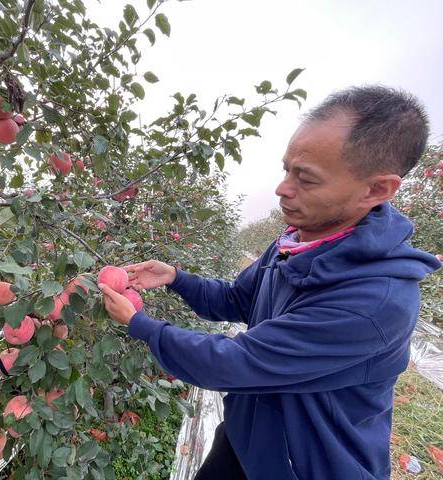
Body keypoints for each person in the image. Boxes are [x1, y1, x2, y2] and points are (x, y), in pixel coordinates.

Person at [98, 85, 442, 480]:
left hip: (303, 466)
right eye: (286, 170)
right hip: (249, 435)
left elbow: (235, 362)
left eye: (306, 179)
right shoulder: (295, 242)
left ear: (377, 189)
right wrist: (177, 278)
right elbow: (235, 300)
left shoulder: (375, 302)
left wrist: (140, 324)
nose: (282, 189)